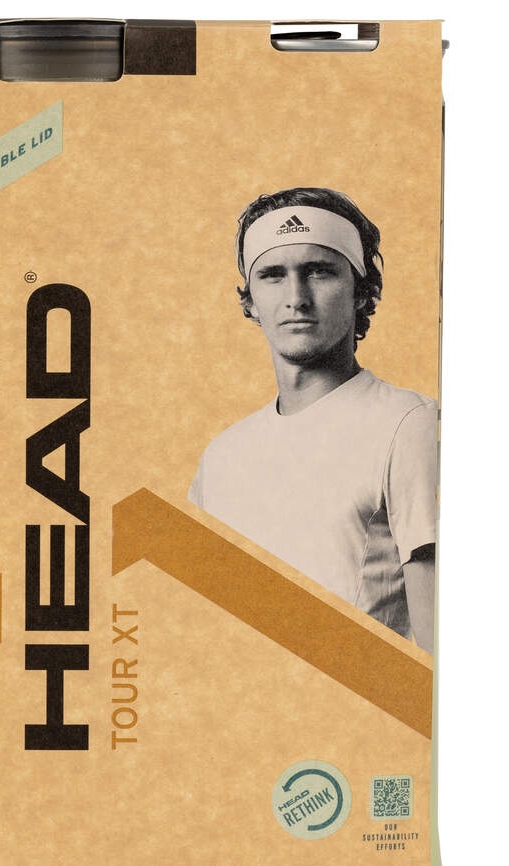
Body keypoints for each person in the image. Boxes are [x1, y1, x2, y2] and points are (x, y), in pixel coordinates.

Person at [188, 187, 437, 653]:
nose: (296, 298)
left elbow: (439, 651)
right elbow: (199, 634)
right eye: (273, 275)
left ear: (362, 291)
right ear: (250, 300)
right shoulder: (222, 457)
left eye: (319, 271)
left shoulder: (410, 425)